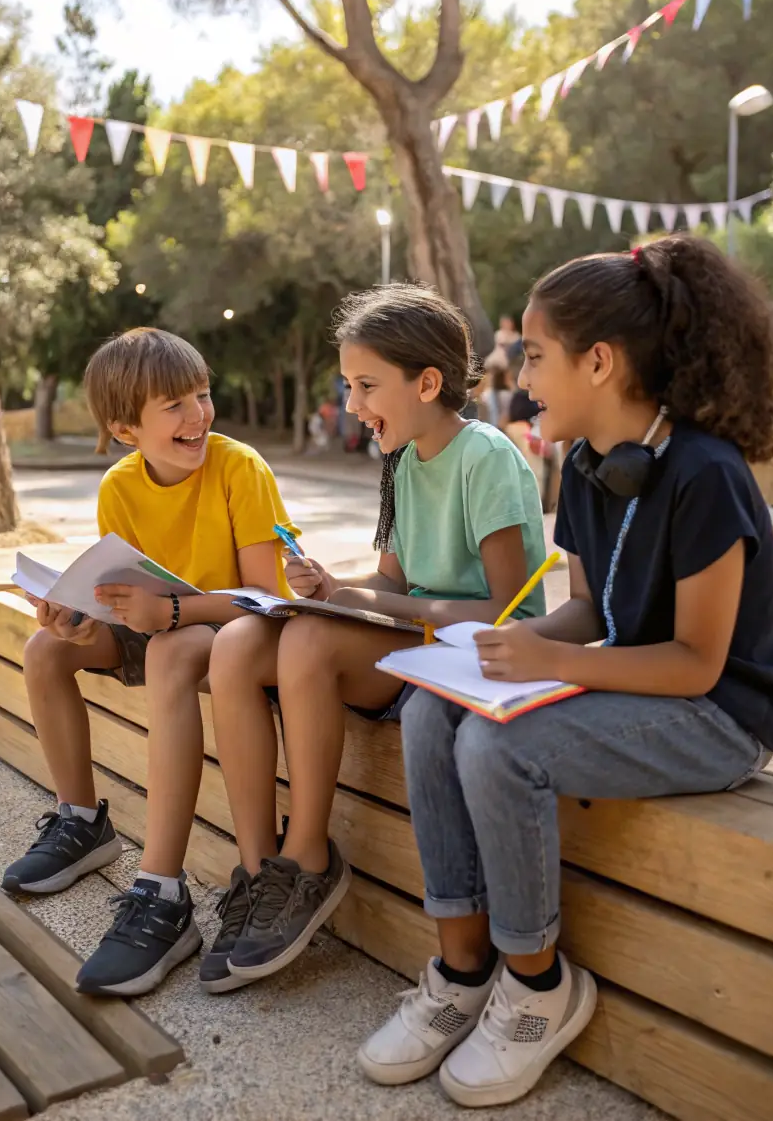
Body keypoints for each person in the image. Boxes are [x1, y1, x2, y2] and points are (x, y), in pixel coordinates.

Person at [359, 237, 773, 1108]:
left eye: (535, 354)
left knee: (498, 747)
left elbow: (699, 663)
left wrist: (554, 662)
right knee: (430, 710)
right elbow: (589, 610)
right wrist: (489, 650)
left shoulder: (706, 474)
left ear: (600, 361)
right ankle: (461, 966)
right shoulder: (592, 468)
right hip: (648, 685)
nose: (522, 379)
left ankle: (536, 986)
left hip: (721, 713)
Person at [202, 283, 548, 993]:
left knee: (305, 644)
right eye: (348, 385)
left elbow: (504, 609)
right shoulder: (403, 457)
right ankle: (258, 866)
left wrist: (367, 607)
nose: (353, 405)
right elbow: (394, 580)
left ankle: (308, 860)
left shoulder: (486, 456)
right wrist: (336, 588)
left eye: (365, 385)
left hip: (464, 660)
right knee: (238, 642)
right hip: (406, 642)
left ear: (427, 382)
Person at [1, 327, 299, 997]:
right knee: (45, 647)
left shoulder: (238, 467)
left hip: (228, 632)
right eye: (175, 404)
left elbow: (265, 599)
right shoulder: (120, 486)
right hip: (157, 627)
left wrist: (170, 614)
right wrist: (78, 618)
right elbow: (120, 593)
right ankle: (81, 821)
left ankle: (162, 892)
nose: (198, 414)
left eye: (202, 393)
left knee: (167, 649)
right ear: (125, 427)